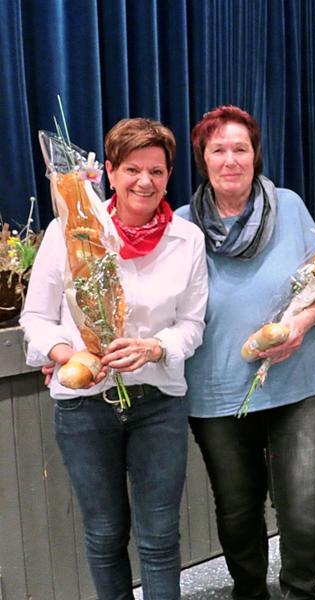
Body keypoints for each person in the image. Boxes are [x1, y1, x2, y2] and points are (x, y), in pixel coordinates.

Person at [21, 118, 208, 599]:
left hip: (159, 402)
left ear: (169, 176)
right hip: (84, 407)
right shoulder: (71, 232)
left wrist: (155, 347)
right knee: (105, 536)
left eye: (157, 171)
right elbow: (36, 319)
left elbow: (192, 325)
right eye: (131, 169)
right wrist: (70, 354)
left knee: (160, 539)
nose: (145, 181)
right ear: (109, 171)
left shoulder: (187, 240)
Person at [175, 105, 315, 600]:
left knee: (302, 504)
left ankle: (300, 591)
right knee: (238, 506)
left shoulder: (289, 206)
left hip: (298, 381)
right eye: (218, 149)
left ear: (255, 155)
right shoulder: (182, 225)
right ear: (203, 159)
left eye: (240, 149)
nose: (230, 160)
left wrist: (301, 323)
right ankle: (249, 592)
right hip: (216, 388)